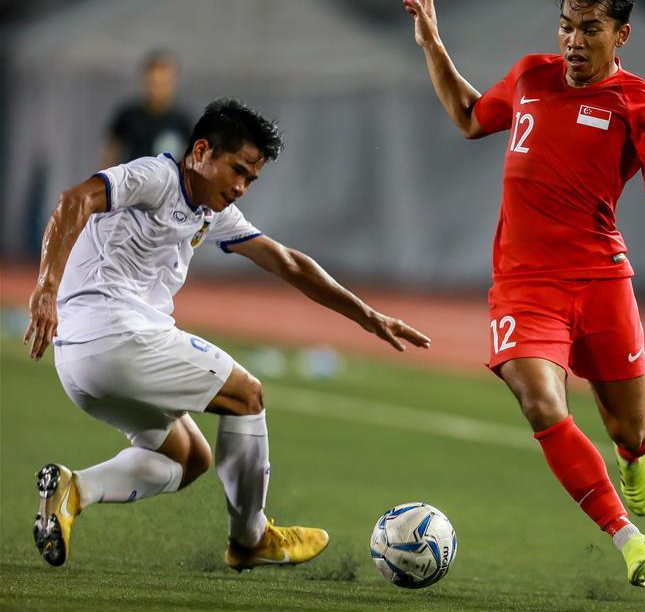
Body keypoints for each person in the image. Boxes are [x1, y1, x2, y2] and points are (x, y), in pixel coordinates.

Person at [403, 0, 645, 587]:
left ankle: (635, 451)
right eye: (566, 26)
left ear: (622, 35)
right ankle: (630, 540)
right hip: (524, 285)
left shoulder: (638, 101)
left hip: (600, 280)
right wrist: (432, 43)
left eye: (590, 29)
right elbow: (469, 115)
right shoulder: (532, 75)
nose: (574, 41)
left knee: (626, 424)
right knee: (539, 403)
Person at [24, 98, 431, 570]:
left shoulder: (210, 212)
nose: (240, 187)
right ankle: (250, 538)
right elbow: (75, 200)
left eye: (250, 179)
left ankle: (75, 490)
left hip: (80, 365)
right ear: (200, 151)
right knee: (246, 395)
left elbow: (288, 262)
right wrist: (45, 287)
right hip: (116, 337)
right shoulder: (156, 178)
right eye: (236, 170)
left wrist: (367, 316)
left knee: (188, 458)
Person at [100, 49, 193, 168]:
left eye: (163, 83)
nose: (157, 90)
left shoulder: (182, 121)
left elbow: (189, 164)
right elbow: (110, 155)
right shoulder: (128, 116)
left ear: (174, 82)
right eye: (153, 83)